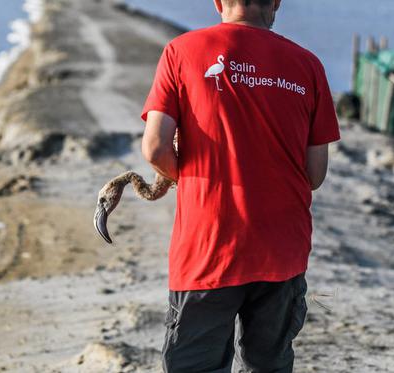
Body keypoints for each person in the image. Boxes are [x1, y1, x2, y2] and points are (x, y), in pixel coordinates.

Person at [140, 0, 341, 372]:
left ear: (217, 2)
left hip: (209, 246)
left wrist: (194, 178)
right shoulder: (308, 64)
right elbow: (315, 174)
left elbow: (154, 147)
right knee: (268, 364)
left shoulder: (181, 51)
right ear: (277, 1)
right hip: (282, 248)